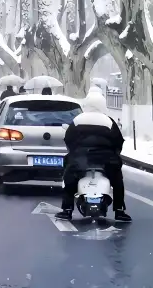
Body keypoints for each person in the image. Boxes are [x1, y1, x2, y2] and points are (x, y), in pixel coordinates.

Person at [56, 87, 131, 222]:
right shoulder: (109, 121)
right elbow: (118, 141)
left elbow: (68, 139)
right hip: (106, 159)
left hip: (80, 158)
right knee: (117, 181)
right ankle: (119, 210)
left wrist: (75, 153)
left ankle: (67, 209)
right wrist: (114, 155)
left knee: (69, 178)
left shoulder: (78, 120)